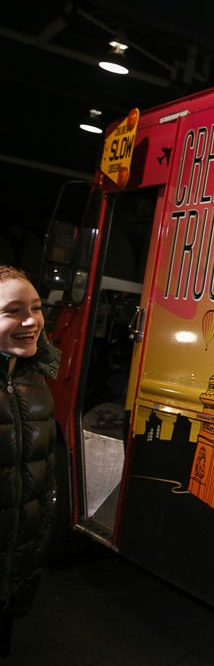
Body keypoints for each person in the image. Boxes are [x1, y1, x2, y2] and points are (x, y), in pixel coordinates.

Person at [0, 266, 58, 657]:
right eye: (13, 310)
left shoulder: (33, 381)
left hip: (12, 572)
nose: (30, 321)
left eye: (36, 308)